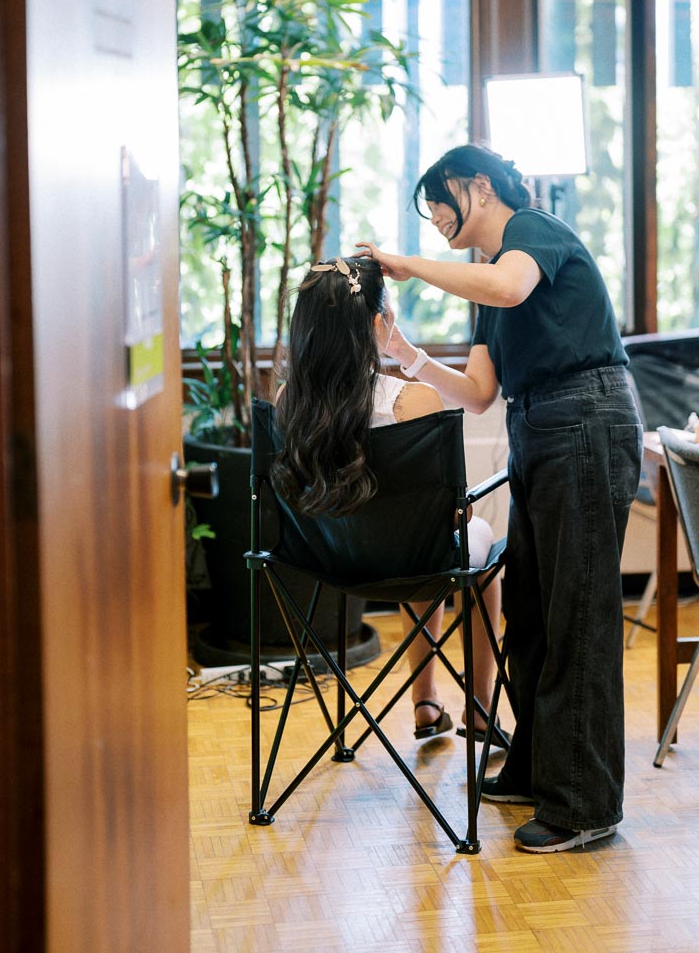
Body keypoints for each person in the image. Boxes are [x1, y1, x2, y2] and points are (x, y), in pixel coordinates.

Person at [355, 143, 643, 854]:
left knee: (577, 614)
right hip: (536, 426)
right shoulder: (488, 279)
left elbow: (512, 289)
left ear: (479, 186)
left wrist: (406, 264)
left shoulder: (532, 234)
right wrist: (405, 354)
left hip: (585, 418)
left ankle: (584, 805)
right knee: (532, 613)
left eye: (440, 201)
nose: (435, 218)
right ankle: (541, 770)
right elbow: (480, 393)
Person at [272, 254, 501, 741]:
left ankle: (426, 703)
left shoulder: (288, 400)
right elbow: (453, 514)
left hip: (329, 562)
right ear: (379, 325)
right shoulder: (413, 402)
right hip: (412, 560)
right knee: (465, 552)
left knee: (414, 541)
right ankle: (479, 708)